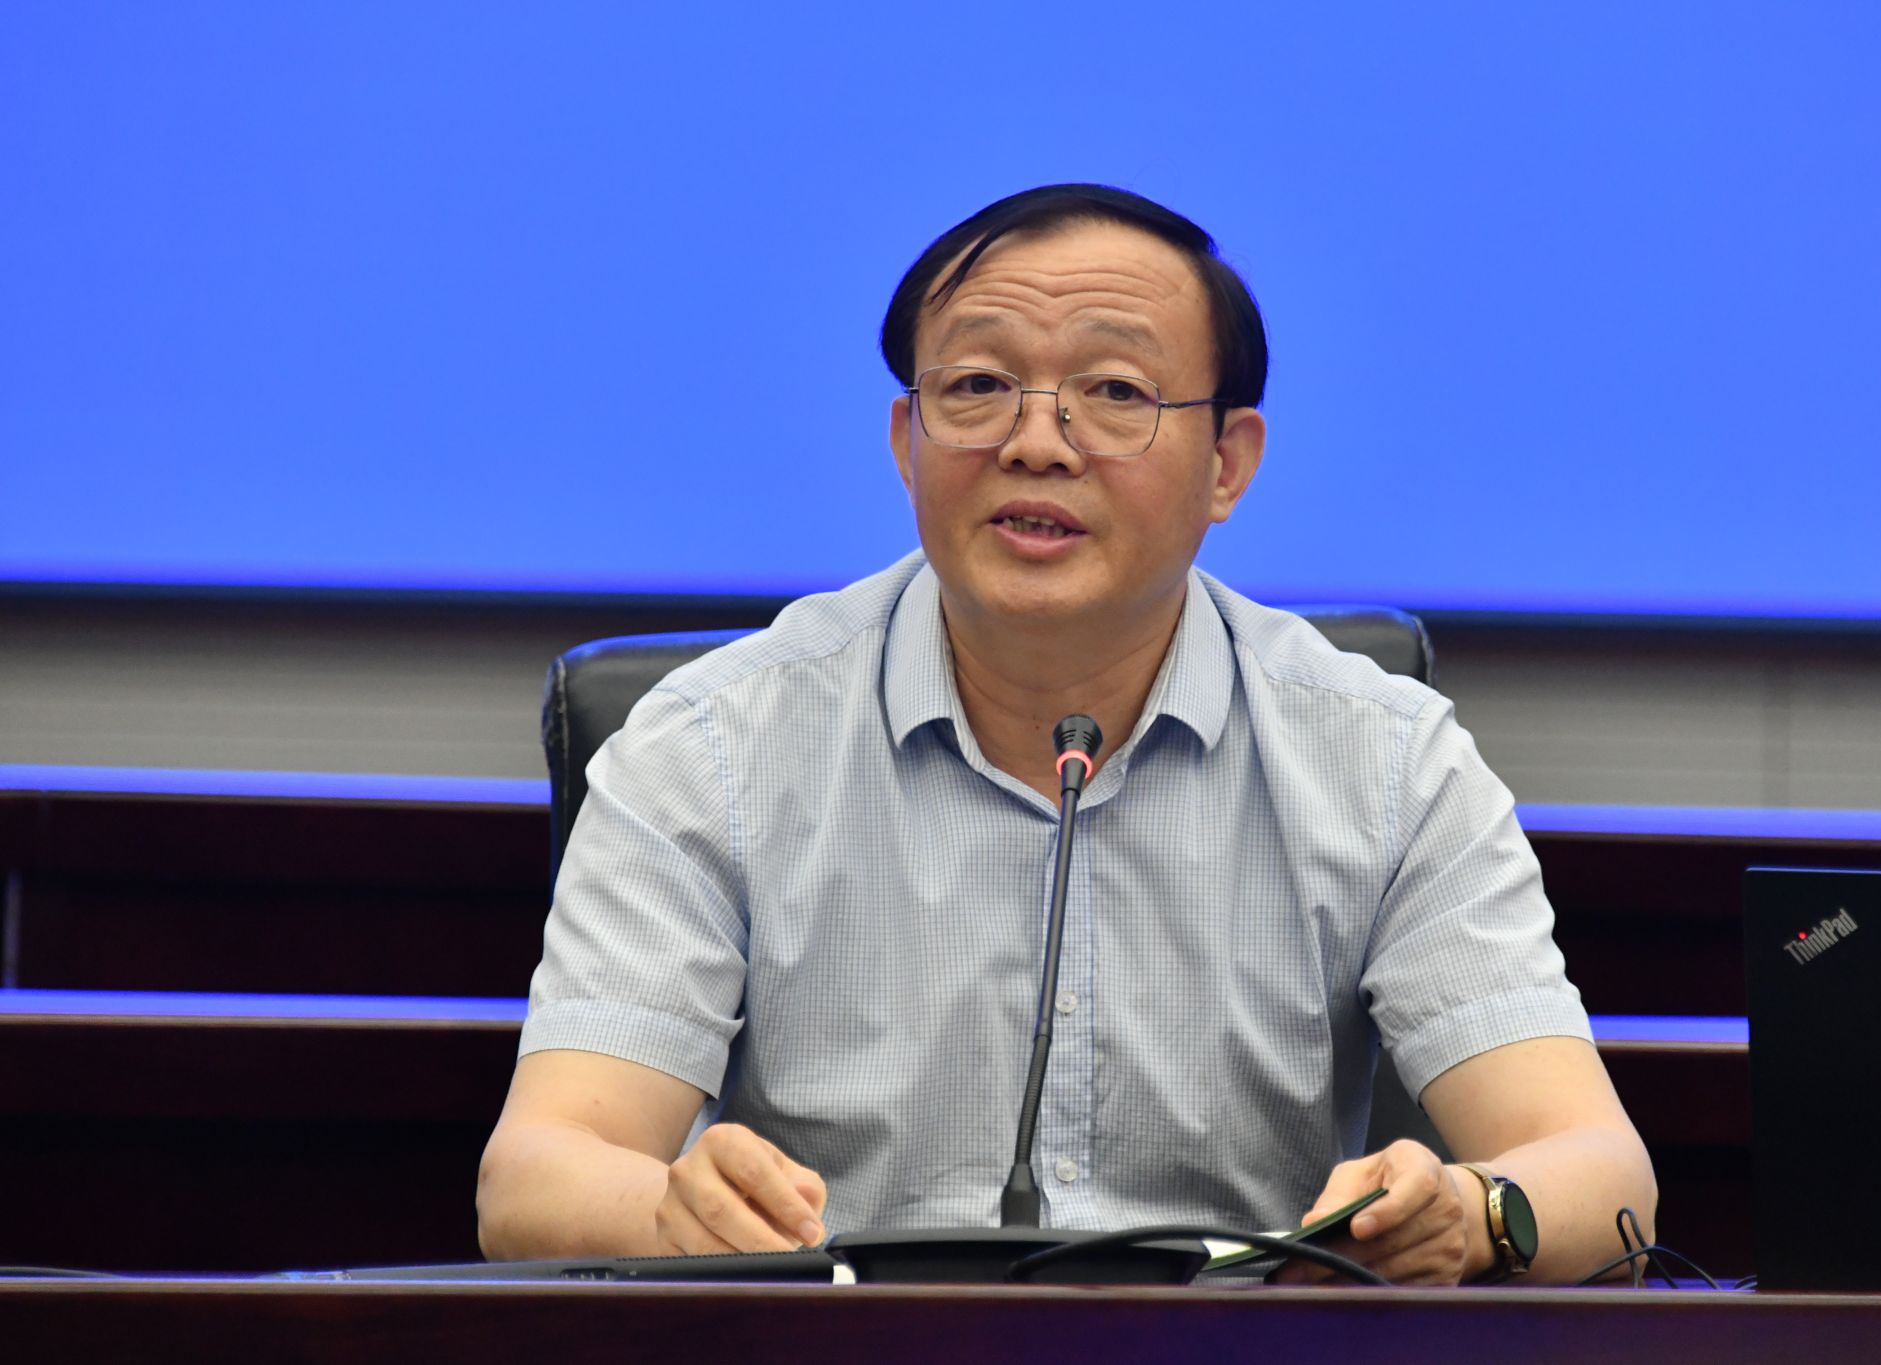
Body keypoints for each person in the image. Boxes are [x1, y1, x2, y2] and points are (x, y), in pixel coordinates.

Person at [476, 185, 1656, 1285]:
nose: (1035, 442)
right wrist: (669, 1215)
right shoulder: (713, 745)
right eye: (977, 386)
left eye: (1115, 393)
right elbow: (536, 1176)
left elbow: (1600, 1177)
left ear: (1227, 464)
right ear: (904, 441)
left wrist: (1475, 1210)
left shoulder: (1382, 760)